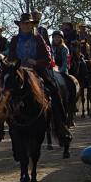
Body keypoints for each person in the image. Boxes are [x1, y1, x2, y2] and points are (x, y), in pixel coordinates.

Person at [8, 13, 72, 145]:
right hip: (19, 71)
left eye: (28, 23)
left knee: (53, 88)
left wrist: (35, 62)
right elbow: (11, 57)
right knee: (5, 89)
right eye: (23, 23)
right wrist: (16, 63)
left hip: (36, 71)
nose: (26, 25)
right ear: (19, 25)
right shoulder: (14, 39)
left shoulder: (38, 39)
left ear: (32, 25)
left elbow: (48, 58)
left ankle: (61, 123)